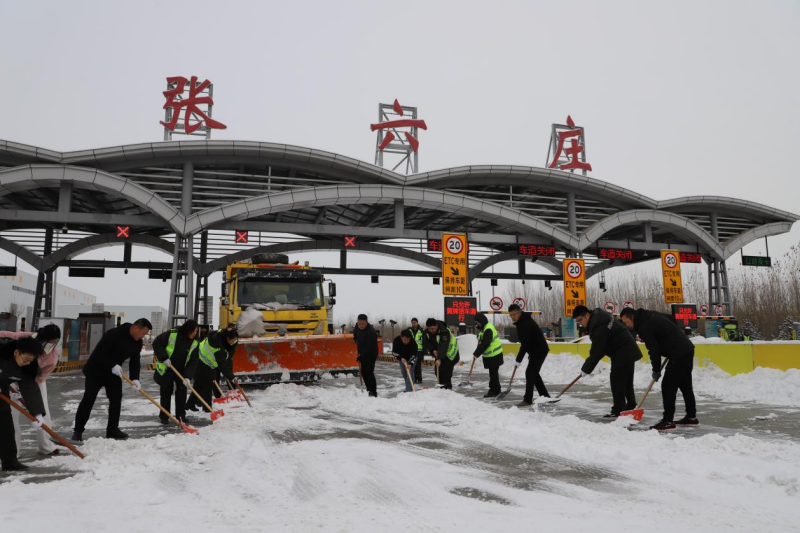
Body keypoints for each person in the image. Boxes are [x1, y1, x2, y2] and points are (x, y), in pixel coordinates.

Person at [73, 318, 152, 441]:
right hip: (96, 370)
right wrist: (112, 365)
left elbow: (135, 361)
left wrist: (135, 379)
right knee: (89, 398)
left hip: (114, 374)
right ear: (136, 328)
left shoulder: (137, 342)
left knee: (116, 399)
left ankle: (112, 430)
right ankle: (78, 431)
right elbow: (99, 353)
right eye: (144, 332)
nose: (144, 336)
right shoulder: (114, 333)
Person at [620, 308, 698, 430]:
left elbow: (654, 350)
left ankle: (667, 421)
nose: (627, 325)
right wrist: (672, 335)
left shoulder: (645, 326)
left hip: (678, 353)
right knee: (685, 384)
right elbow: (671, 318)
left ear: (633, 317)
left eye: (627, 322)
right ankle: (691, 417)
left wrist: (656, 370)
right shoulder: (651, 314)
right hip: (686, 349)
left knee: (668, 386)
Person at [2, 324, 62, 456]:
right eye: (50, 341)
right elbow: (7, 334)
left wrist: (36, 411)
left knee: (42, 411)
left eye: (55, 342)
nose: (52, 344)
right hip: (11, 377)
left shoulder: (52, 355)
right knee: (11, 414)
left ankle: (45, 445)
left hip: (34, 379)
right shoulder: (23, 341)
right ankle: (13, 450)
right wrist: (14, 386)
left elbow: (38, 377)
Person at [572, 306, 641, 418]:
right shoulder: (599, 318)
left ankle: (619, 410)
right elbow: (601, 347)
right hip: (626, 350)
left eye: (580, 320)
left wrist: (586, 368)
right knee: (626, 382)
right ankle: (630, 407)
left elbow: (597, 350)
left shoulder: (598, 326)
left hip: (623, 352)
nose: (581, 323)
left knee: (617, 382)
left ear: (587, 315)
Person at [0, 337, 46, 471]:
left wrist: (37, 413)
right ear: (16, 352)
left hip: (2, 389)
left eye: (31, 360)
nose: (28, 363)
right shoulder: (2, 354)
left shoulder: (29, 366)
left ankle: (10, 462)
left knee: (6, 426)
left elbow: (29, 387)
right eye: (26, 359)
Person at [152, 320, 199, 424]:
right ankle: (164, 416)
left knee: (182, 392)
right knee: (166, 392)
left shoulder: (195, 342)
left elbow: (193, 361)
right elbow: (157, 343)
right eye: (193, 331)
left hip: (182, 370)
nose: (194, 334)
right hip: (168, 367)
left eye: (196, 332)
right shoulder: (172, 333)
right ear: (187, 330)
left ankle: (181, 416)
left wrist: (188, 377)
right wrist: (163, 357)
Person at [508, 304, 550, 406]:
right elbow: (527, 343)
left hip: (539, 350)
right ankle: (545, 396)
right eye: (511, 315)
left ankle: (527, 399)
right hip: (536, 350)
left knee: (530, 373)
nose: (513, 317)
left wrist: (518, 360)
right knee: (533, 373)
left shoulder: (525, 323)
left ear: (520, 312)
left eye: (514, 314)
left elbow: (525, 344)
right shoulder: (522, 322)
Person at [188, 327, 238, 412]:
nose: (233, 342)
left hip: (204, 359)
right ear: (227, 339)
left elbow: (231, 348)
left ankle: (190, 404)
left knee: (199, 384)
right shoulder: (218, 347)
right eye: (232, 341)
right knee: (207, 384)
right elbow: (223, 367)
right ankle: (207, 408)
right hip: (200, 360)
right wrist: (232, 377)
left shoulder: (222, 333)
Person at [472, 313, 504, 398]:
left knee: (493, 375)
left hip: (494, 355)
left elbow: (486, 343)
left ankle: (494, 391)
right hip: (492, 356)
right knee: (493, 374)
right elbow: (483, 337)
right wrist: (479, 335)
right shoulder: (485, 327)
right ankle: (495, 389)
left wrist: (476, 354)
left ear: (482, 321)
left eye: (478, 322)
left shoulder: (488, 329)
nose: (477, 324)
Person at [424, 318, 460, 389]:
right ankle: (442, 388)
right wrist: (433, 350)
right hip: (441, 353)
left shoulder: (444, 331)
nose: (431, 330)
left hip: (451, 353)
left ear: (436, 325)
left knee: (445, 371)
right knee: (437, 371)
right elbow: (426, 342)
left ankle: (447, 389)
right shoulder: (426, 332)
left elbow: (443, 345)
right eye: (429, 329)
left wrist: (439, 359)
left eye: (433, 328)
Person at [352, 314, 379, 397]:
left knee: (369, 372)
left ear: (366, 322)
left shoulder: (371, 332)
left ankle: (373, 392)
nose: (361, 326)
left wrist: (361, 356)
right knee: (363, 372)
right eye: (359, 323)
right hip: (362, 352)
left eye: (363, 324)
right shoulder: (357, 326)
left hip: (371, 353)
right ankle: (368, 389)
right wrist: (355, 336)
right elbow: (355, 331)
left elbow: (370, 347)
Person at [409, 318, 425, 384]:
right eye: (412, 323)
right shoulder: (409, 330)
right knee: (413, 364)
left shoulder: (421, 330)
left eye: (415, 322)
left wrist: (424, 350)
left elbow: (424, 341)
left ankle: (419, 378)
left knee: (418, 365)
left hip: (419, 350)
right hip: (412, 350)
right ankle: (414, 378)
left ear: (417, 323)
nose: (413, 324)